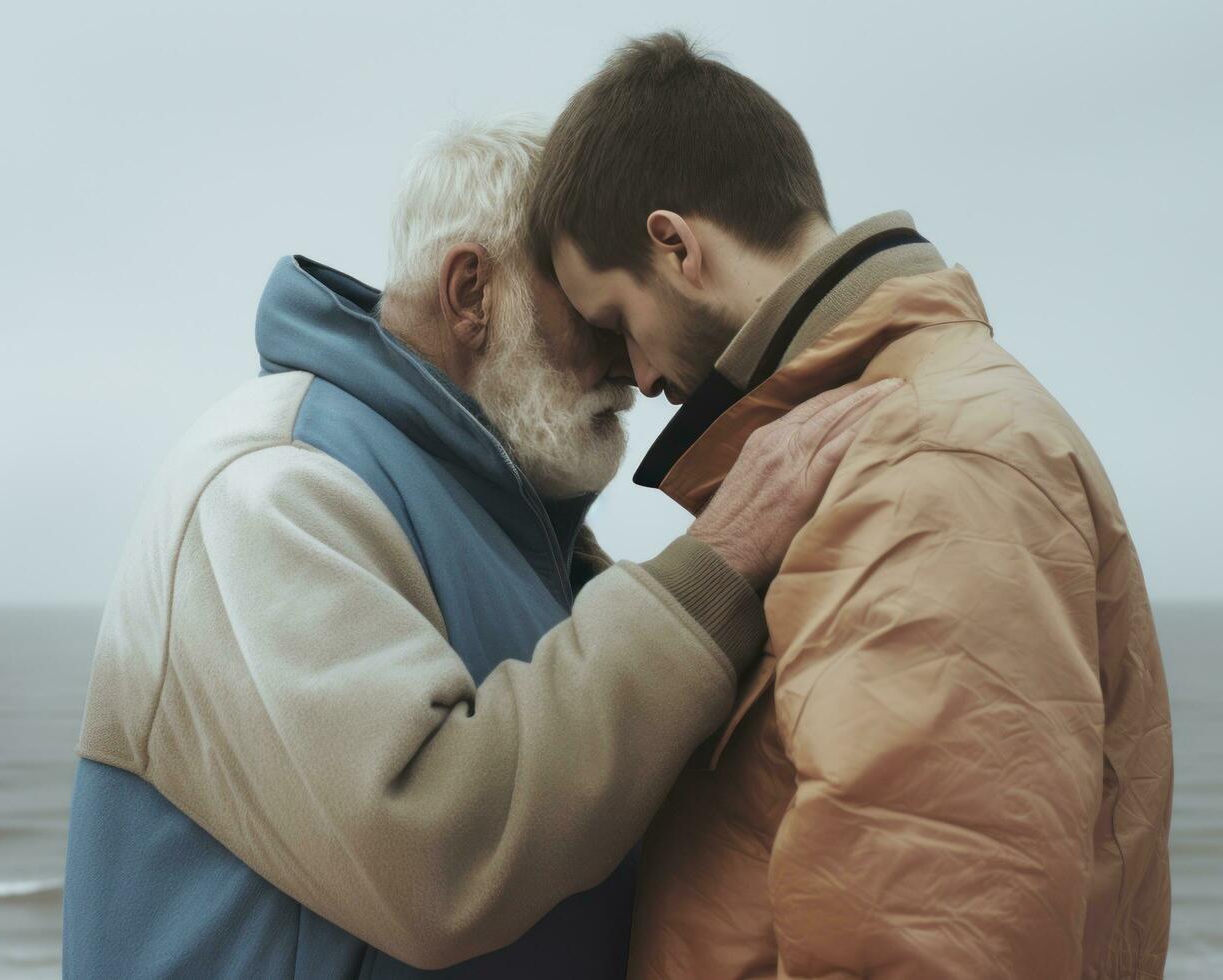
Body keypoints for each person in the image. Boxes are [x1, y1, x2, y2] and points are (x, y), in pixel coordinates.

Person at [61, 115, 895, 978]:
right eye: (594, 309)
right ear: (471, 294)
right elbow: (435, 858)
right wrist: (711, 571)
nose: (636, 367)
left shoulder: (506, 515)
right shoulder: (274, 489)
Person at [529, 32, 1173, 980]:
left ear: (675, 245)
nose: (637, 375)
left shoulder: (931, 462)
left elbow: (926, 939)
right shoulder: (879, 444)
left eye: (620, 323)